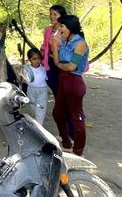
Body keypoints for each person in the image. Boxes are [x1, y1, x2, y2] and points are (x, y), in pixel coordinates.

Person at [49, 15, 89, 156]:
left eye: (62, 26)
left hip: (74, 82)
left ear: (70, 27)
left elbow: (72, 67)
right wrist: (54, 46)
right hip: (63, 80)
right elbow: (56, 62)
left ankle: (78, 151)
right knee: (58, 113)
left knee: (77, 117)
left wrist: (61, 65)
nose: (59, 29)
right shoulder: (65, 41)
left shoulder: (80, 43)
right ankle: (66, 144)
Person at [42, 4, 67, 96]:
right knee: (51, 82)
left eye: (55, 14)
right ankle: (58, 101)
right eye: (50, 14)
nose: (52, 16)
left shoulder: (65, 30)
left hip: (62, 62)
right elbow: (44, 44)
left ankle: (60, 102)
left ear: (62, 16)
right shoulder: (48, 30)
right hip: (50, 61)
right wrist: (41, 55)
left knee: (62, 85)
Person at [23, 47, 48, 125]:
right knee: (33, 107)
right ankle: (36, 120)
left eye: (39, 58)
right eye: (34, 59)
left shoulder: (44, 68)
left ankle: (39, 126)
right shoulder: (27, 69)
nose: (37, 61)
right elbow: (23, 79)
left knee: (41, 108)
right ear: (29, 59)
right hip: (31, 90)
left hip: (42, 90)